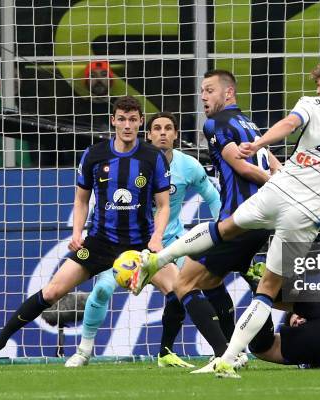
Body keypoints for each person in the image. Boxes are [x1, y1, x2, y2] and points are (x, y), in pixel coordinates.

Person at [133, 56, 320, 377]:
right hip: (308, 210)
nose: (318, 90)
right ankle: (227, 357)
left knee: (220, 235)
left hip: (280, 191)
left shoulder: (309, 105)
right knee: (264, 290)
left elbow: (288, 125)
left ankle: (158, 263)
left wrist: (259, 143)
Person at [0, 96, 171, 371]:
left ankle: (222, 354)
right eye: (121, 119)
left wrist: (157, 238)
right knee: (52, 292)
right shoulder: (94, 155)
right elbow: (81, 200)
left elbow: (163, 205)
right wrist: (77, 233)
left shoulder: (152, 157)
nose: (127, 125)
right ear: (113, 120)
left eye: (133, 120)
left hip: (139, 245)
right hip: (99, 242)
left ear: (140, 122)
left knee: (180, 288)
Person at [134, 69, 281, 369]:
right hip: (262, 221)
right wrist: (278, 184)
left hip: (239, 222)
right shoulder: (251, 125)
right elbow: (276, 164)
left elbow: (241, 167)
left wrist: (267, 182)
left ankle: (224, 357)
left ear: (228, 93)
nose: (203, 96)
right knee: (221, 285)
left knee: (185, 284)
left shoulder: (217, 123)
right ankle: (239, 344)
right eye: (202, 90)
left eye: (210, 90)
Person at [64, 112, 222, 368]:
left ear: (176, 134)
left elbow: (213, 197)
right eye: (157, 128)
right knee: (103, 288)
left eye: (168, 128)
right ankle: (84, 351)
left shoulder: (188, 165)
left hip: (170, 242)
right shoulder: (139, 161)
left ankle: (189, 351)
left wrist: (224, 231)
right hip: (129, 242)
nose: (162, 133)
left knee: (194, 289)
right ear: (147, 134)